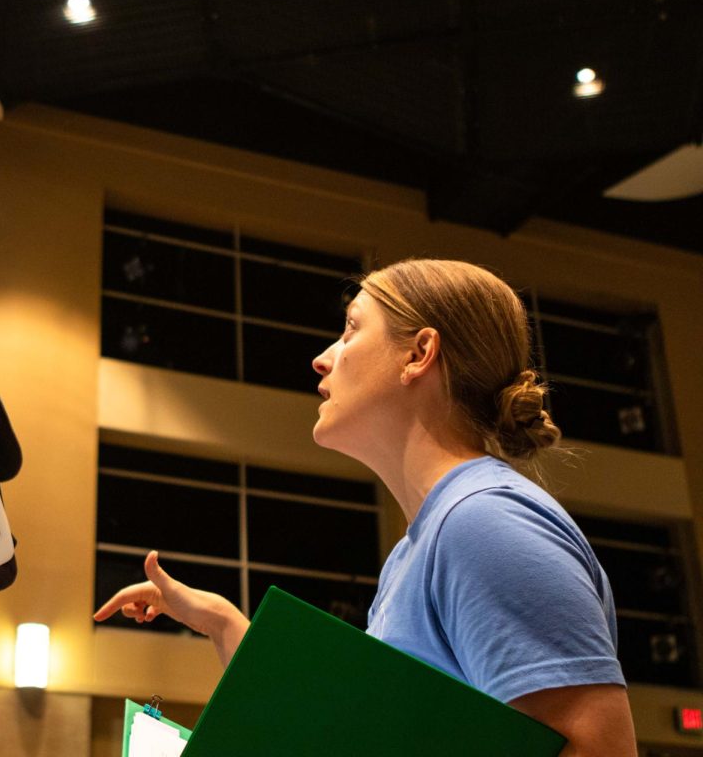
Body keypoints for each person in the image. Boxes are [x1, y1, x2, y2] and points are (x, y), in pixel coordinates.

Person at [95, 259, 637, 756]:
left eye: (352, 328)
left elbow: (596, 751)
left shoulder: (484, 522)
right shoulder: (414, 552)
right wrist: (220, 623)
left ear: (419, 354)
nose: (323, 357)